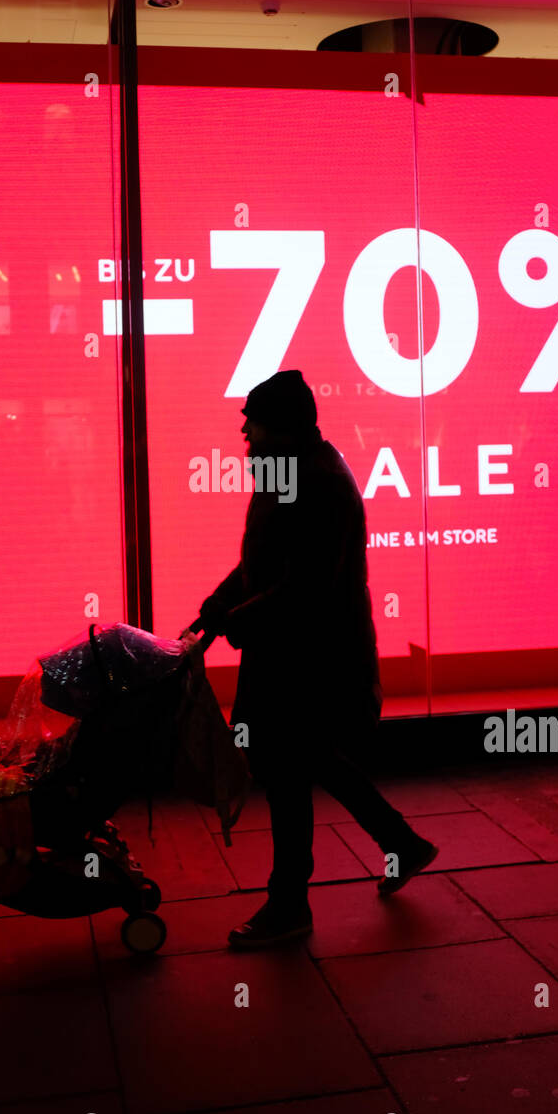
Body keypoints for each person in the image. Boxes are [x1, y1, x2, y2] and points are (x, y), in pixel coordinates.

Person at [196, 369, 437, 950]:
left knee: (287, 772)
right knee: (311, 759)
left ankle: (289, 905)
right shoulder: (299, 472)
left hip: (307, 661)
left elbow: (302, 589)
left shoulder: (314, 485)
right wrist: (223, 601)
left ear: (281, 427)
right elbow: (270, 567)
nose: (246, 438)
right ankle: (399, 844)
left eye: (253, 426)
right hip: (300, 656)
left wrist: (236, 618)